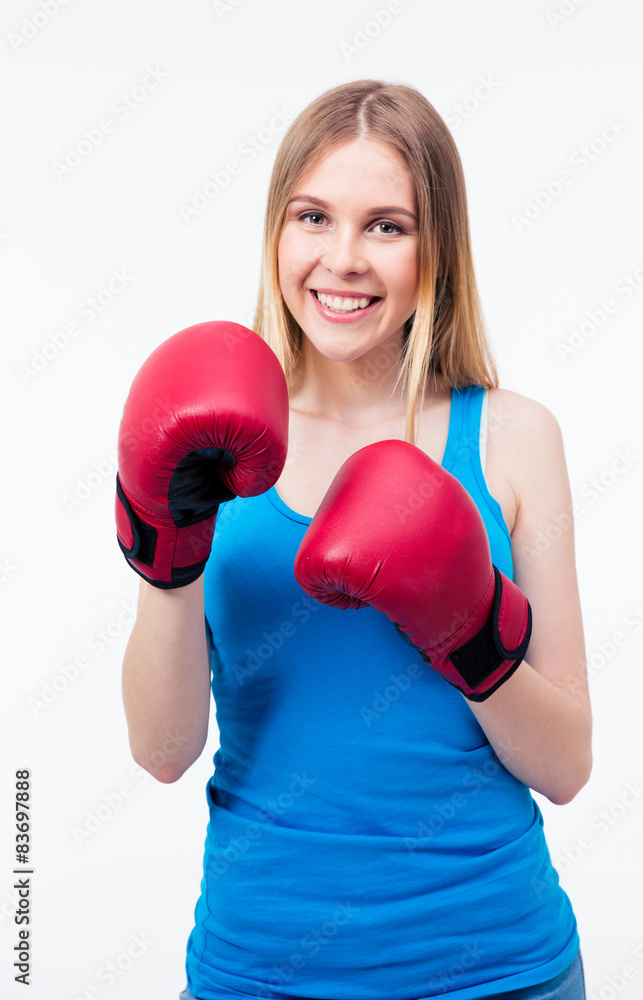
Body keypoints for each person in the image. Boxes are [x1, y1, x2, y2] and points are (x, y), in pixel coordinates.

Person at [117, 79, 592, 1000]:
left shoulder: (511, 438)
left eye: (386, 225)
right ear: (275, 234)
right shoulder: (214, 442)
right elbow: (161, 749)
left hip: (496, 968)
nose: (343, 259)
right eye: (312, 217)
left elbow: (566, 766)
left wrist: (466, 624)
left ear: (436, 250)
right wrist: (165, 548)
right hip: (260, 969)